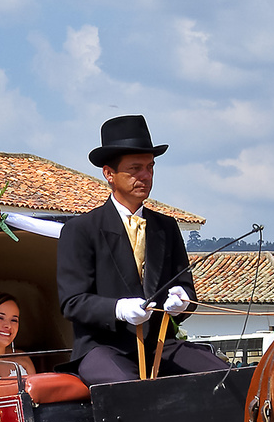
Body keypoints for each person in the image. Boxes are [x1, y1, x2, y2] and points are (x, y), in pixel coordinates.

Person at [57, 114, 229, 385]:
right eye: (135, 168)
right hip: (103, 349)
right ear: (109, 173)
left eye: (150, 167)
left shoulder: (166, 227)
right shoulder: (81, 229)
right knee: (133, 393)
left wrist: (182, 302)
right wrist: (118, 308)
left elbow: (186, 289)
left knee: (229, 377)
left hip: (161, 345)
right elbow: (73, 302)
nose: (145, 176)